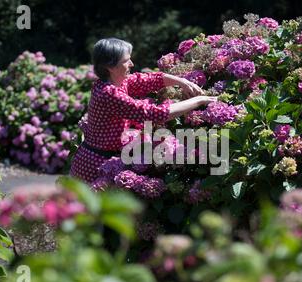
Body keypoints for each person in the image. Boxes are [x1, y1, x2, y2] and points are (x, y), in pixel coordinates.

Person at [70, 38, 217, 185]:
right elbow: (154, 114)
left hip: (102, 159)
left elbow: (149, 79)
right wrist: (199, 101)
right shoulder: (108, 93)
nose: (132, 64)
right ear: (111, 67)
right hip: (95, 166)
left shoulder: (115, 82)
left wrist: (182, 82)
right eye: (126, 60)